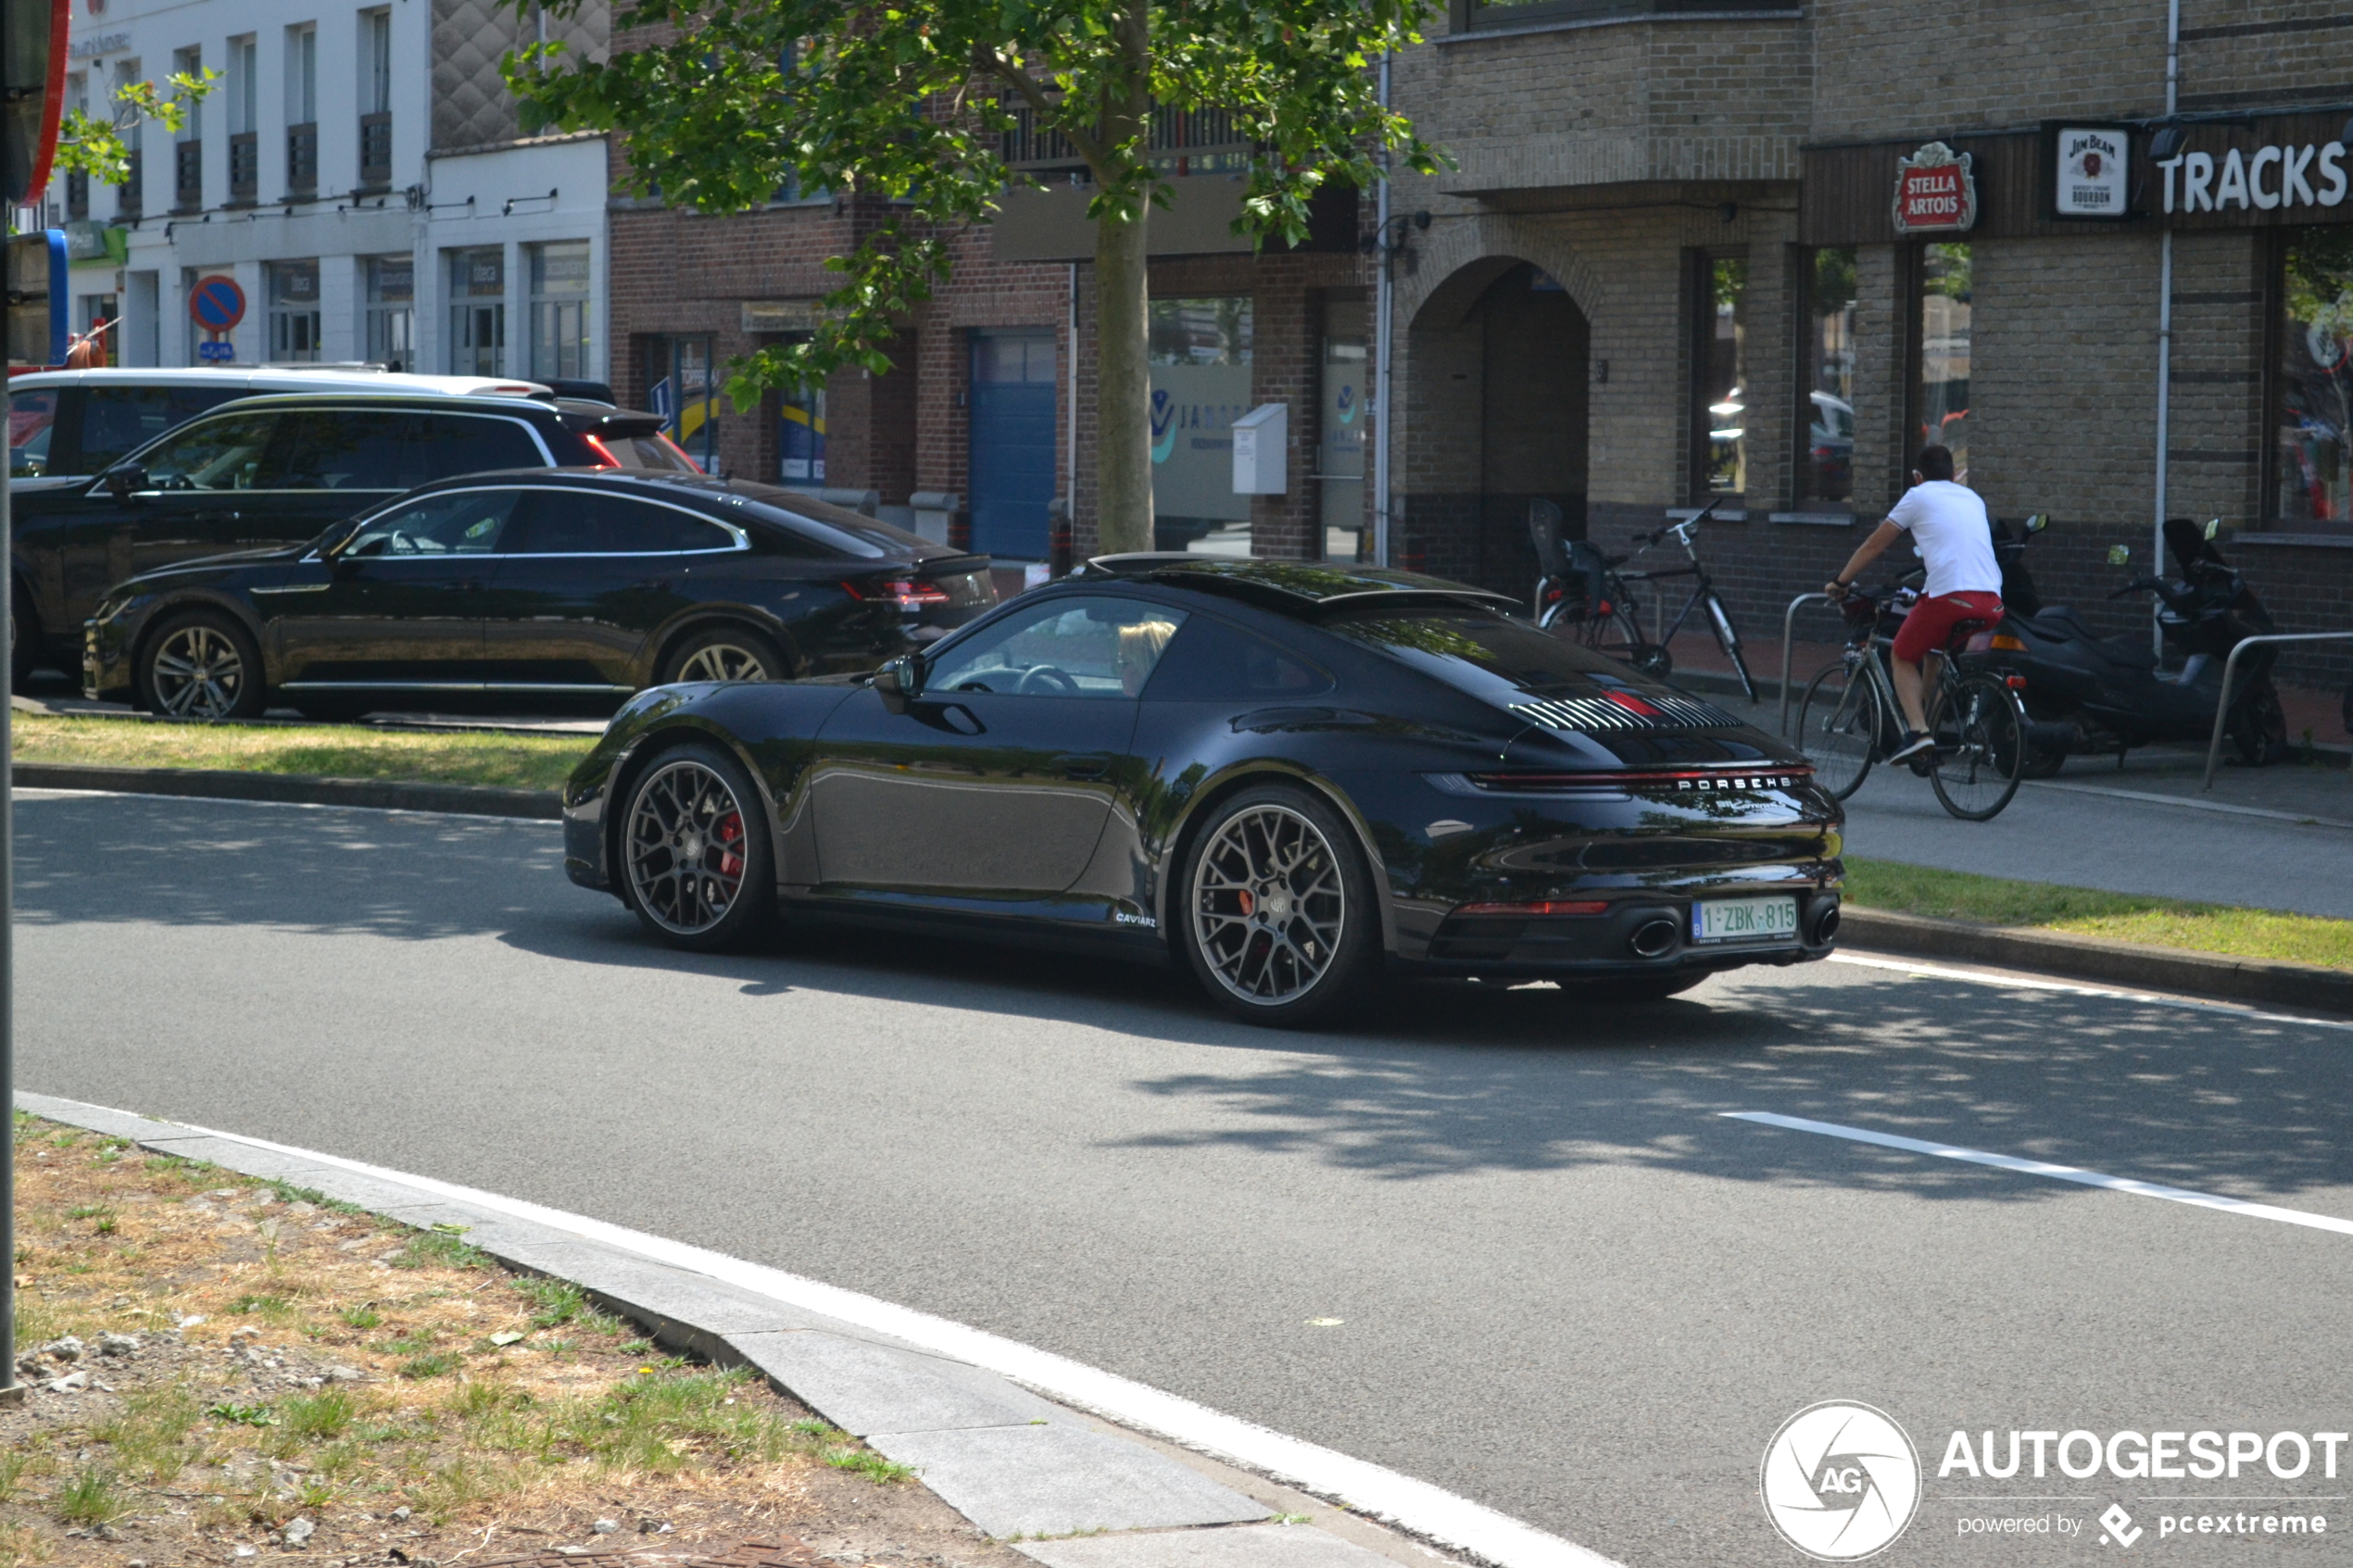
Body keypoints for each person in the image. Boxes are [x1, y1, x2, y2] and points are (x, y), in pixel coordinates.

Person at [1824, 445, 2002, 765]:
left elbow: (1875, 543)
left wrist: (1841, 581)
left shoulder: (1918, 496)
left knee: (1902, 655)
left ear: (1918, 476)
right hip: (1992, 601)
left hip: (1952, 596)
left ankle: (1918, 732)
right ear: (1953, 475)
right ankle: (1930, 735)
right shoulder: (1973, 498)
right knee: (1935, 653)